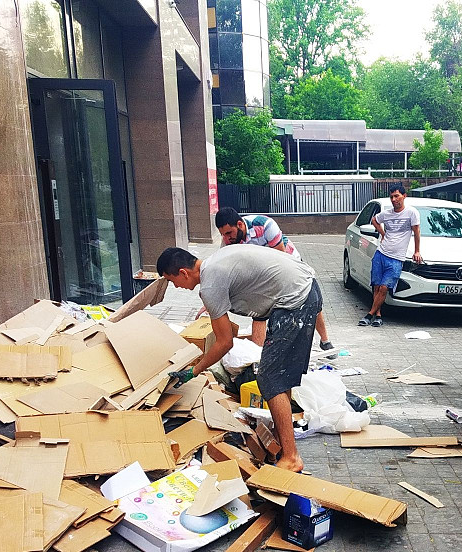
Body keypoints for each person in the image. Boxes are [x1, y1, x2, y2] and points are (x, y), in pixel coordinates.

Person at [158, 246, 321, 473]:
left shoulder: (211, 283)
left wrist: (194, 371)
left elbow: (225, 342)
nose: (176, 287)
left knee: (269, 378)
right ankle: (283, 440)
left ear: (184, 272)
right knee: (279, 375)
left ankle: (291, 457)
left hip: (294, 301)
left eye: (172, 280)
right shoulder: (214, 265)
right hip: (304, 289)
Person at [214, 208, 335, 356]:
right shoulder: (228, 243)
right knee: (258, 311)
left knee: (311, 300)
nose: (226, 239)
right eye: (222, 235)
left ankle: (325, 340)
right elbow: (223, 273)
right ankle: (256, 357)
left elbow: (280, 259)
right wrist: (213, 300)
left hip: (290, 265)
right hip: (261, 274)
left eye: (228, 233)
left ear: (239, 224)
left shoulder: (265, 225)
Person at [359, 183, 421, 327]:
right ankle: (378, 316)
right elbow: (374, 220)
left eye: (397, 196)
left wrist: (417, 251)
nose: (394, 199)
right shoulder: (387, 214)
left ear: (404, 196)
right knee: (376, 286)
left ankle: (369, 314)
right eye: (391, 197)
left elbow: (417, 232)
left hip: (396, 258)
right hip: (381, 254)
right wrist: (383, 233)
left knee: (385, 287)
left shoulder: (411, 213)